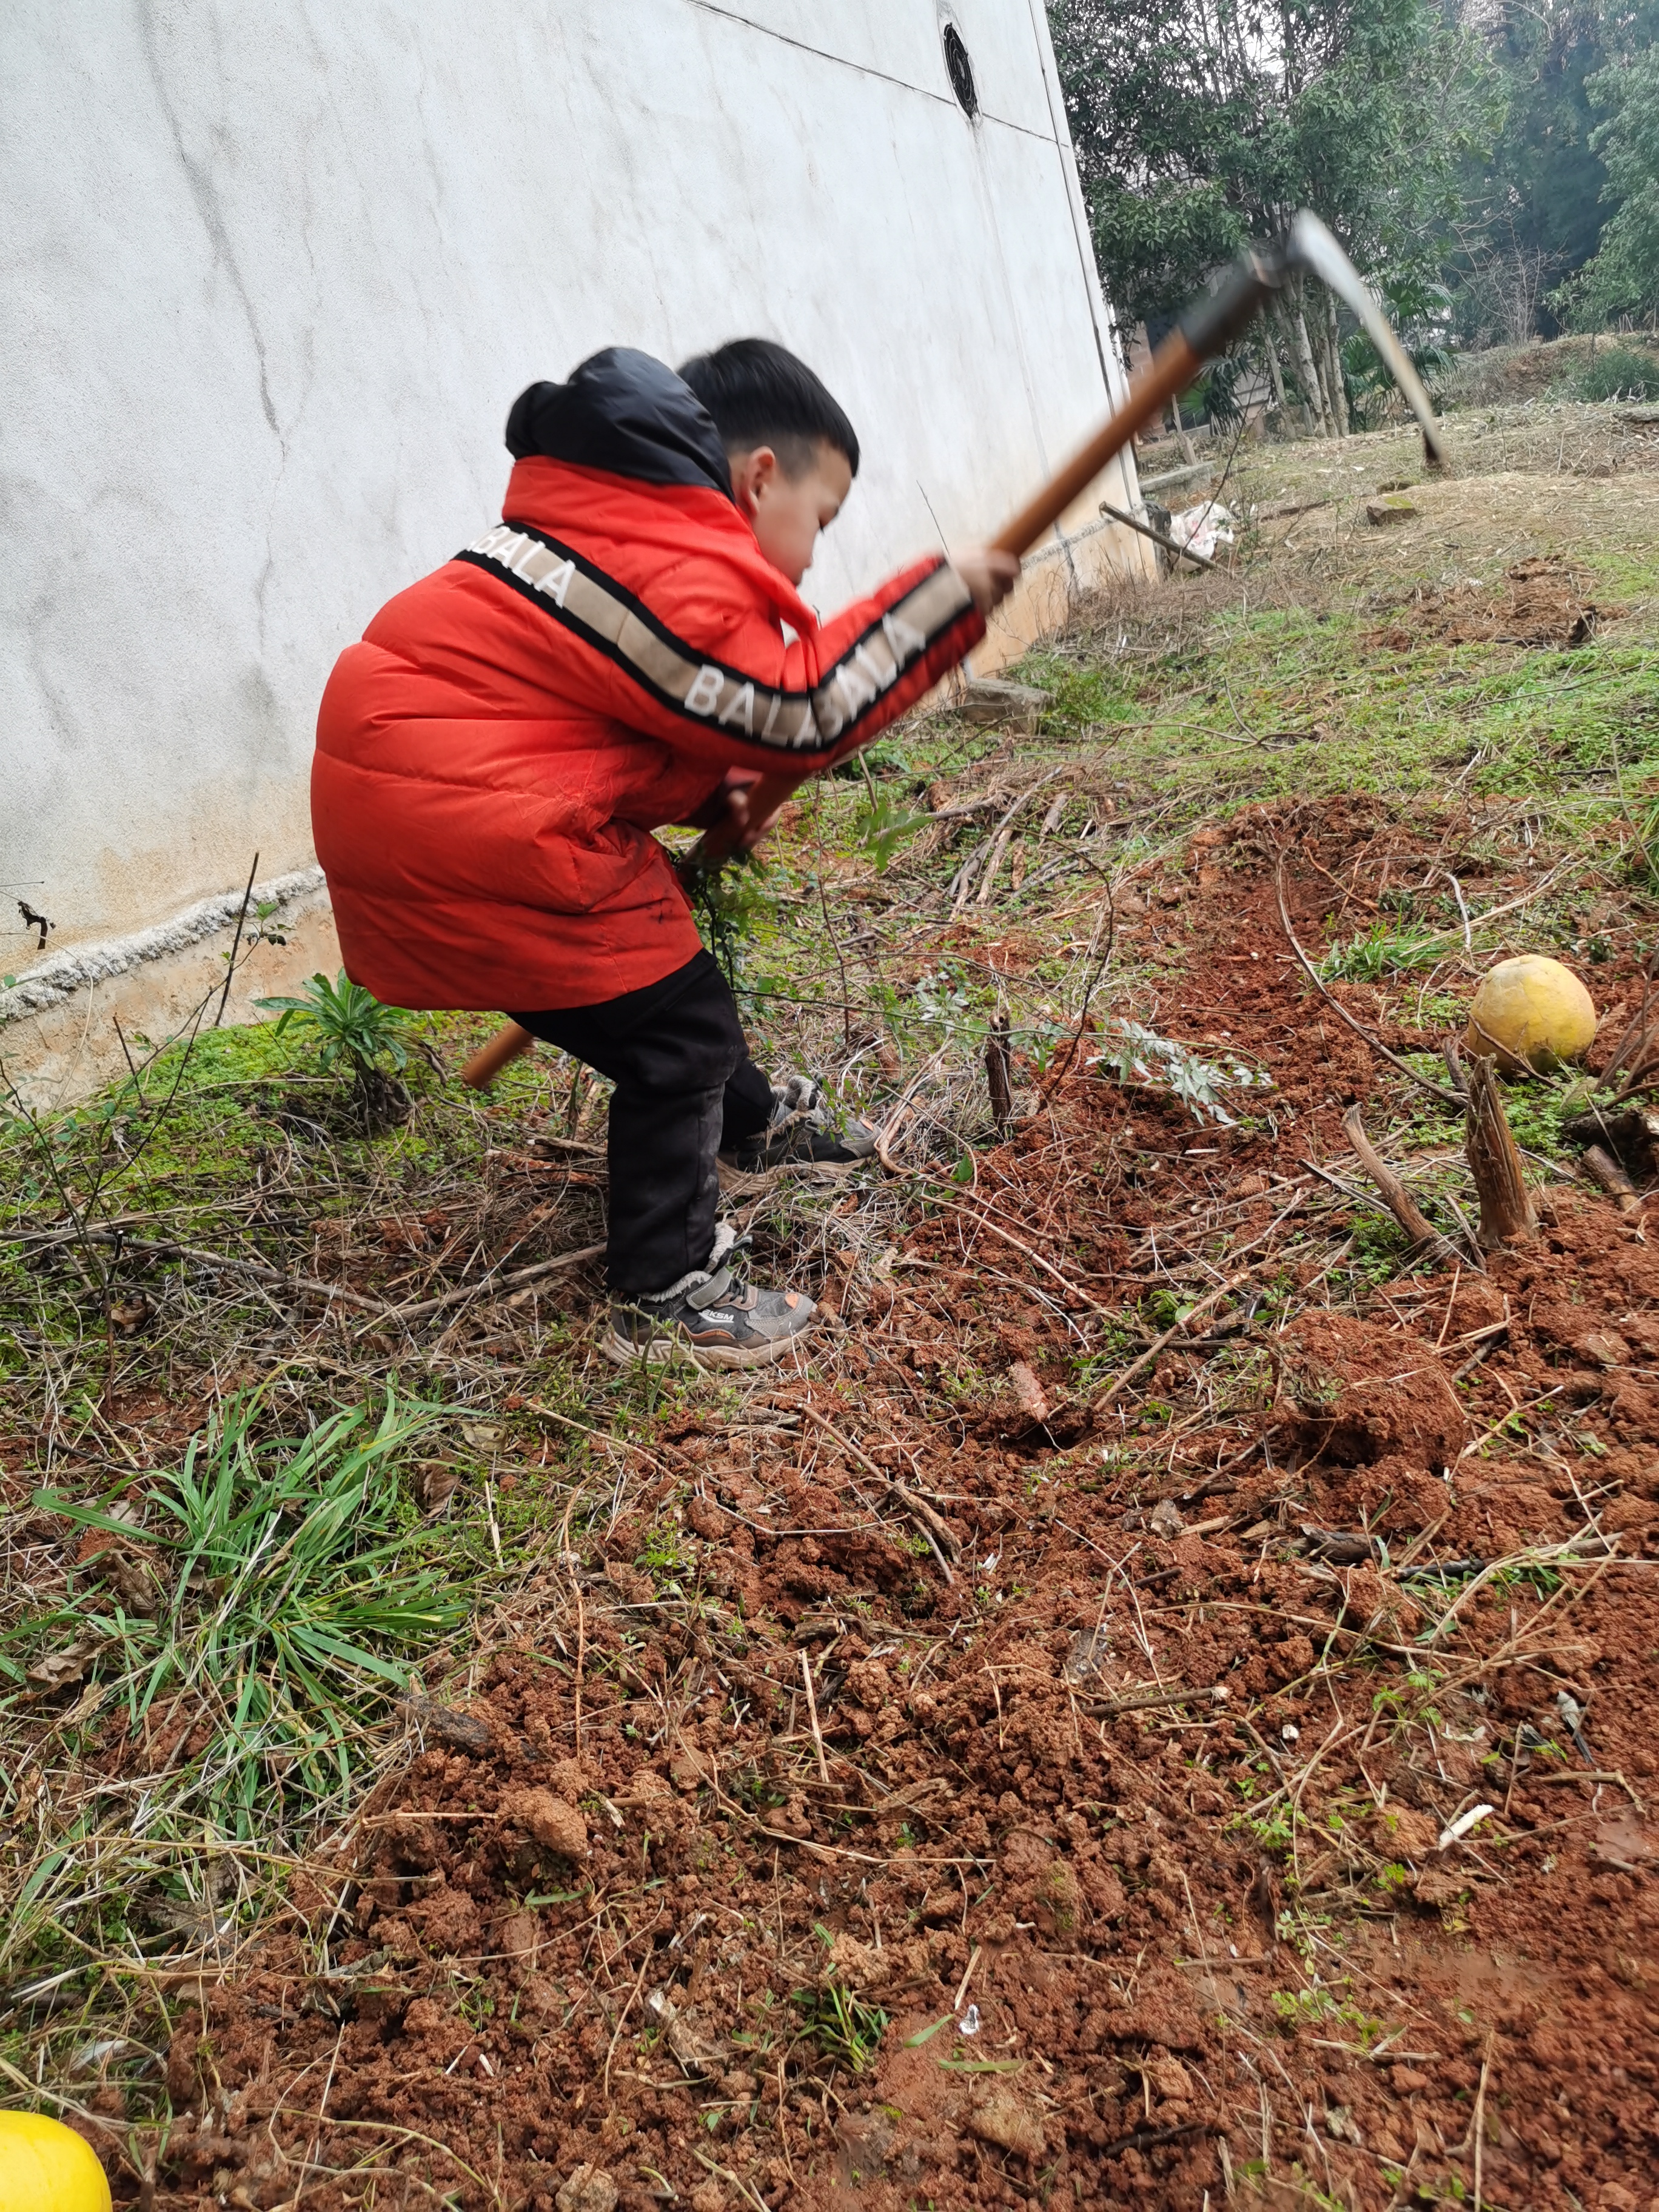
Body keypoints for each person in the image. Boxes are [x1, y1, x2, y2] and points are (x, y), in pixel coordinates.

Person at [312, 339, 1018, 1367]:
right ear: (760, 476)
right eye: (819, 520)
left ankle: (753, 1124)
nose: (816, 556)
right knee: (677, 1032)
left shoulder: (598, 531)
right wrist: (937, 609)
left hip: (435, 809)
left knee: (667, 998)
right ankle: (667, 1283)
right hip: (468, 826)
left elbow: (611, 733)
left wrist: (717, 793)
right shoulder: (661, 557)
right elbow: (799, 709)